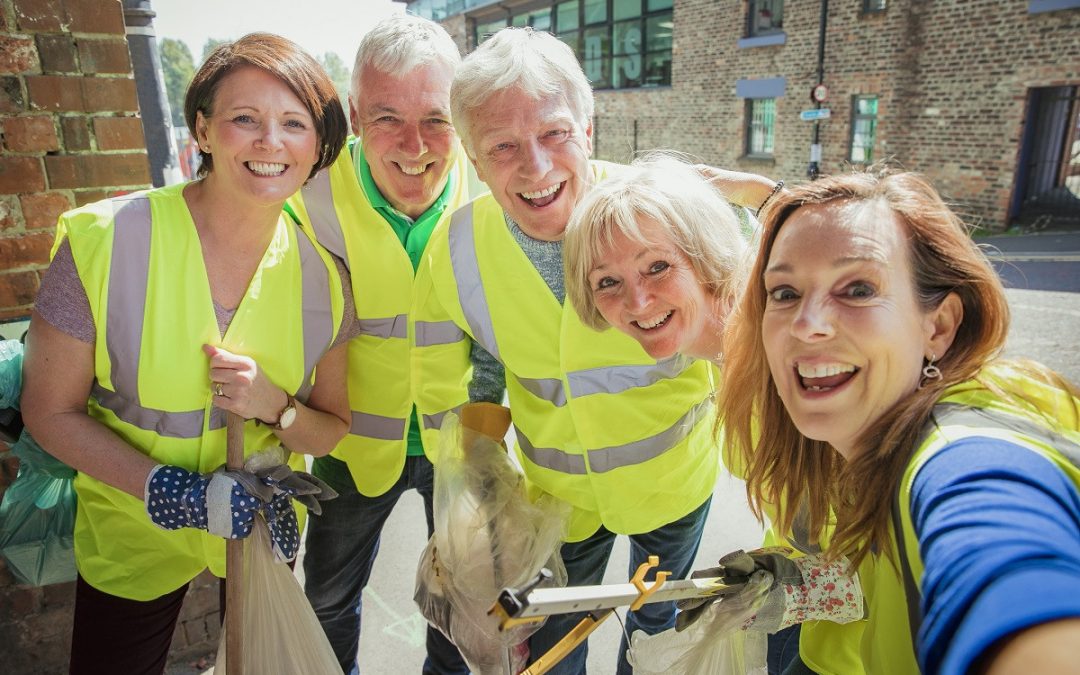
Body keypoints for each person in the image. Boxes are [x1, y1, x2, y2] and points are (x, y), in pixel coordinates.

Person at [412, 27, 778, 675]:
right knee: (555, 642)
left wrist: (773, 201)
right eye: (502, 145)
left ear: (587, 126)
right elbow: (454, 384)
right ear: (470, 153)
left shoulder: (662, 210)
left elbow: (751, 325)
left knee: (655, 623)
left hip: (671, 490)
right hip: (562, 502)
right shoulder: (457, 245)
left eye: (554, 133)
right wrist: (485, 491)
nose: (536, 165)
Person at [21, 34, 353, 674]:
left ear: (318, 147)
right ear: (202, 128)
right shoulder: (106, 242)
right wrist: (169, 491)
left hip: (260, 521)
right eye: (243, 119)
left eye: (294, 123)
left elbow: (331, 429)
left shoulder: (326, 277)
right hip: (131, 522)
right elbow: (48, 411)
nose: (270, 142)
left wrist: (277, 408)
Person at [718, 169, 1080, 674]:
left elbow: (1003, 554)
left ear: (939, 326)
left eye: (859, 289)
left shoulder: (960, 447)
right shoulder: (853, 426)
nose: (807, 323)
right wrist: (796, 584)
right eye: (784, 293)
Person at [563, 156, 865, 675]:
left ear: (704, 256)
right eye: (607, 282)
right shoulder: (721, 359)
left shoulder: (789, 351)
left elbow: (898, 547)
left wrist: (802, 590)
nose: (636, 300)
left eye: (657, 266)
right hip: (828, 636)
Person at [283, 15, 472, 675]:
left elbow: (590, 175)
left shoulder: (497, 181)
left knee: (461, 605)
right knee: (328, 596)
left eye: (437, 118)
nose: (415, 144)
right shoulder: (307, 192)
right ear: (356, 114)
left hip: (460, 445)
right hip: (348, 443)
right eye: (388, 116)